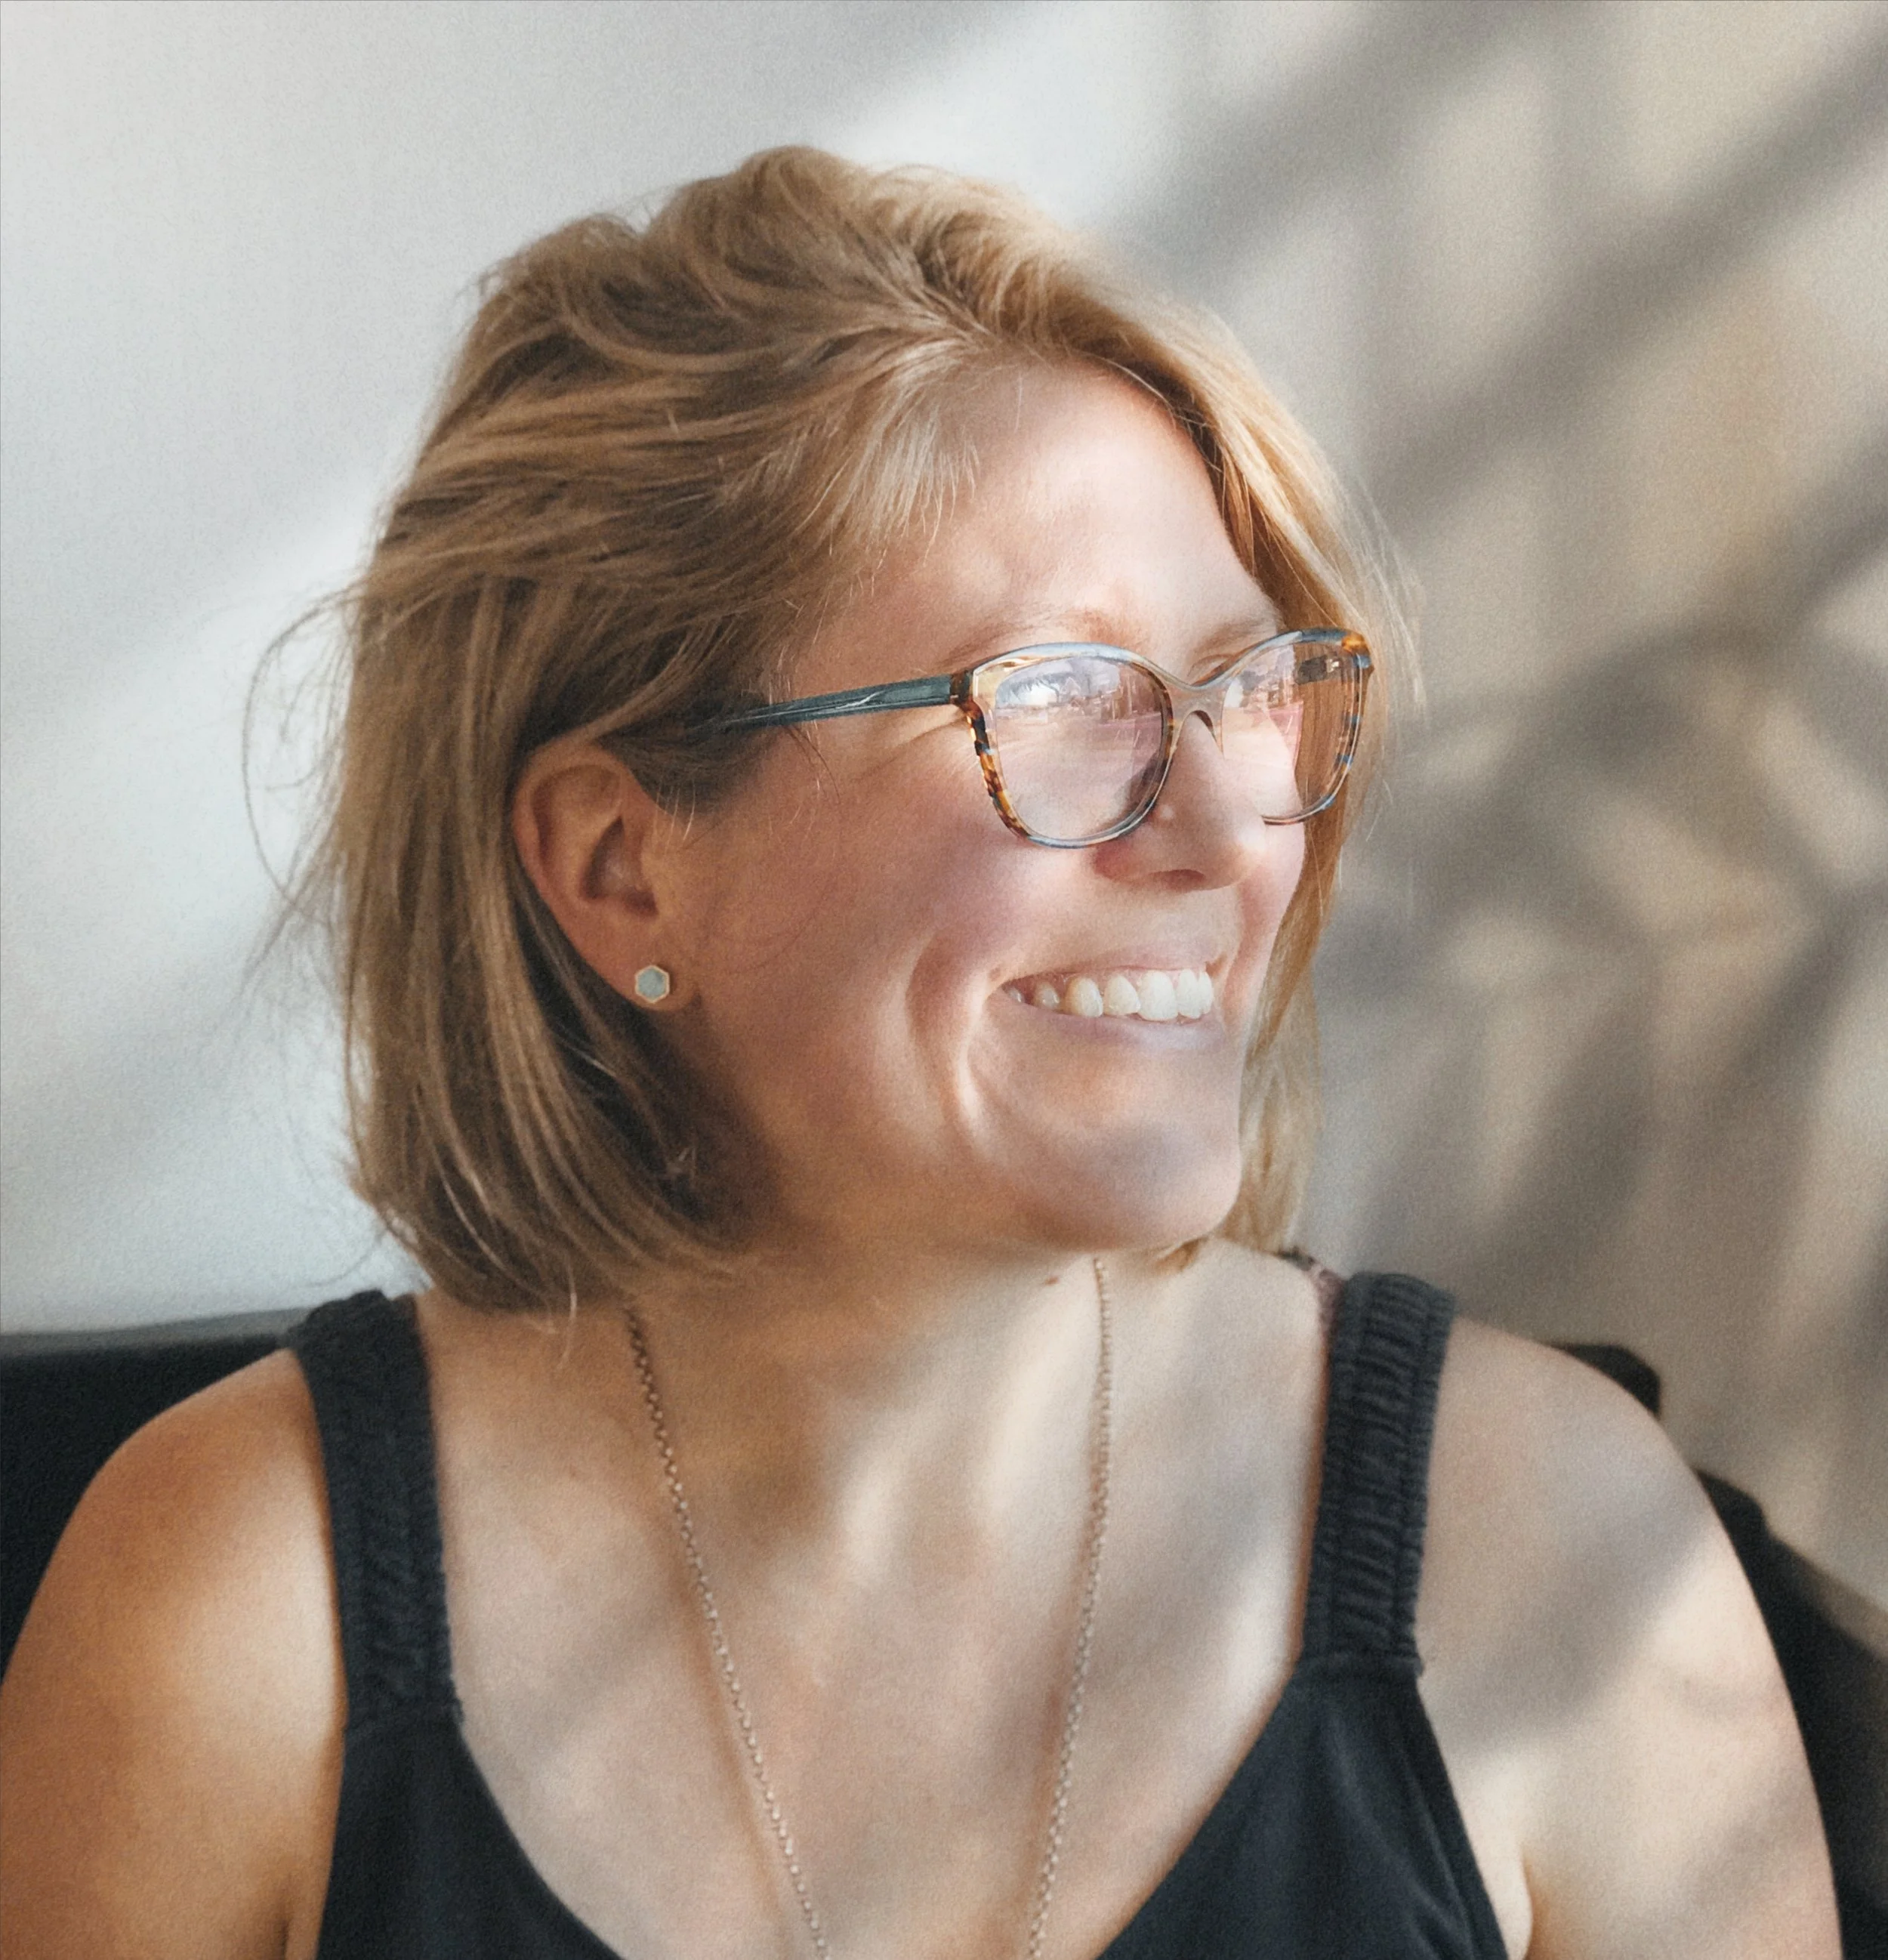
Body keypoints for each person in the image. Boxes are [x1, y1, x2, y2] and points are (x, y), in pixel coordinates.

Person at [0, 148, 1838, 1960]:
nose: (1227, 829)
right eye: (1056, 704)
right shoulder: (240, 1612)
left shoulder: (1565, 1564)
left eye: (1247, 690)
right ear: (622, 867)